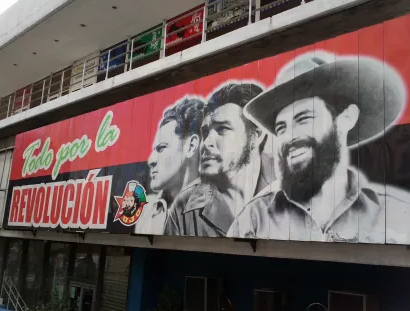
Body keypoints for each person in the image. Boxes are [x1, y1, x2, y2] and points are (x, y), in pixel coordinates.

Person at [228, 52, 410, 243]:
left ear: (346, 118)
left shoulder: (397, 216)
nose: (289, 137)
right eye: (281, 128)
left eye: (304, 118)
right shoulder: (254, 218)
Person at [164, 83, 275, 237]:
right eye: (205, 132)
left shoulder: (288, 195)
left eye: (222, 128)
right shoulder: (183, 206)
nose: (206, 143)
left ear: (255, 136)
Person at [134, 97, 205, 235]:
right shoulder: (145, 212)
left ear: (191, 146)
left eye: (161, 148)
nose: (151, 160)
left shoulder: (215, 208)